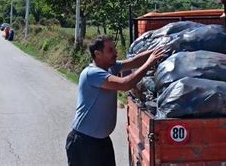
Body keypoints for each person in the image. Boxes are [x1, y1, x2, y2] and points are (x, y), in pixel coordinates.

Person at [65, 35, 167, 166]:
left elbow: (134, 62)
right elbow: (124, 84)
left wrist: (159, 50)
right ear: (97, 54)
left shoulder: (110, 67)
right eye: (110, 50)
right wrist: (149, 63)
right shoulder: (92, 73)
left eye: (114, 49)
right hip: (84, 143)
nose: (115, 53)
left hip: (102, 142)